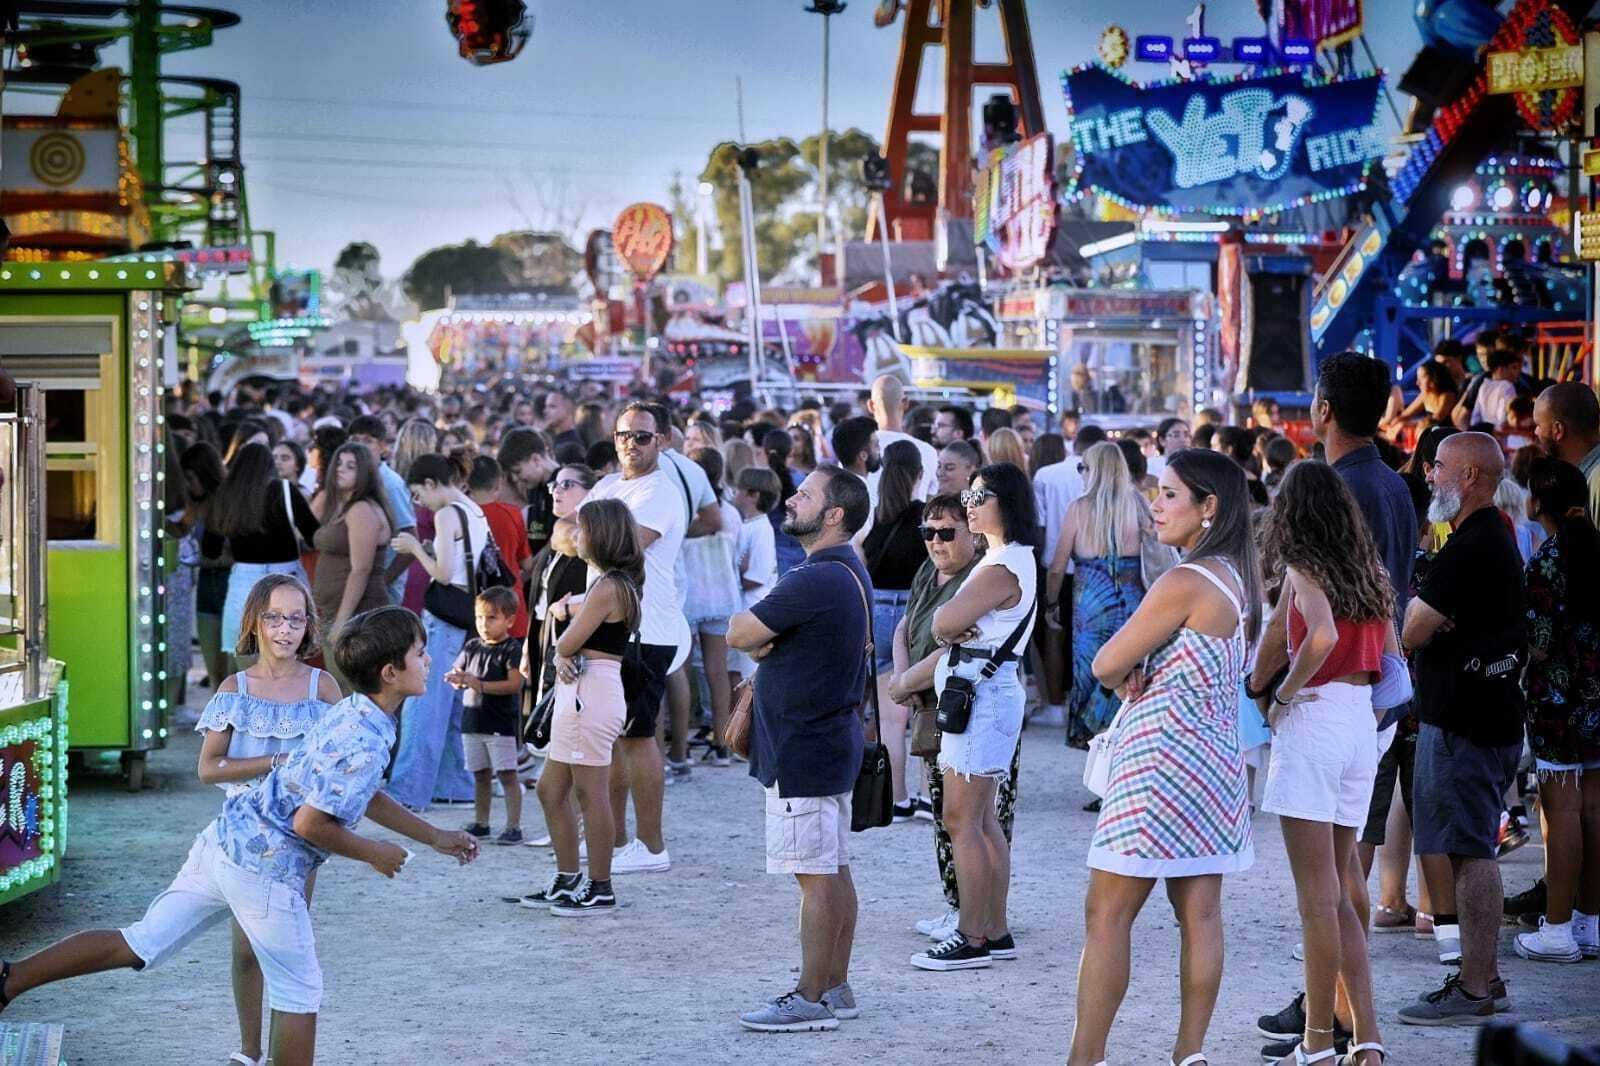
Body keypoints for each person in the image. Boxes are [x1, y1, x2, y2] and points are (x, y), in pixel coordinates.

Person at [0, 606, 480, 1066]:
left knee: (143, 940)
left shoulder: (355, 711)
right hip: (264, 868)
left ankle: (10, 979)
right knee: (299, 991)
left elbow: (359, 792)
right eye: (420, 653)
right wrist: (375, 853)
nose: (428, 660)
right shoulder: (365, 738)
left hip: (224, 842)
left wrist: (434, 836)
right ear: (390, 673)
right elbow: (310, 824)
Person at [1067, 449, 1262, 1066]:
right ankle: (1189, 1053)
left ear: (1209, 508)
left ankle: (1085, 1058)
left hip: (1160, 759)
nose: (1156, 504)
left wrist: (1126, 667)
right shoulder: (1237, 578)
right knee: (1200, 914)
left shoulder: (1186, 580)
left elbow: (1106, 663)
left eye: (1171, 494)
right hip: (1215, 760)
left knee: (1107, 913)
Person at [1254, 461, 1395, 1066]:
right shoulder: (1370, 572)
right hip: (1360, 719)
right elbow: (1389, 656)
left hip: (1316, 718)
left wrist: (1283, 696)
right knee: (1340, 891)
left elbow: (1321, 636)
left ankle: (1316, 1042)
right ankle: (1366, 1038)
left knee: (1317, 898)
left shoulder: (1304, 567)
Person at [728, 465, 872, 1033]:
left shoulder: (817, 577)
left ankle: (810, 997)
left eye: (806, 495)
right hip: (824, 742)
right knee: (831, 869)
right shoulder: (843, 571)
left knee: (816, 876)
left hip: (804, 746)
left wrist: (761, 641)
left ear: (833, 515)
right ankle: (834, 986)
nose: (792, 499)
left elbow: (741, 632)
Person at [1398, 432, 1526, 1024]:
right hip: (1475, 717)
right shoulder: (1485, 535)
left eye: (1441, 466)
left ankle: (1476, 986)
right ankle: (1482, 976)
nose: (1431, 474)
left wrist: (1425, 616)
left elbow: (1411, 628)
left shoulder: (1474, 542)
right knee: (1466, 846)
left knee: (1471, 851)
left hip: (1467, 724)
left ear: (1471, 475)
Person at [195, 574, 341, 1066]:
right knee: (244, 949)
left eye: (296, 619)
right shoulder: (234, 688)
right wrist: (276, 762)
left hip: (300, 833)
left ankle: (282, 1055)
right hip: (244, 833)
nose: (285, 629)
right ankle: (249, 1050)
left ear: (308, 625)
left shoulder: (323, 687)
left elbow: (341, 762)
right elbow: (208, 768)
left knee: (285, 948)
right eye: (274, 618)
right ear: (255, 622)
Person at [528, 498, 645, 916]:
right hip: (583, 691)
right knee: (550, 789)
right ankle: (568, 877)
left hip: (589, 694)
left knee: (590, 793)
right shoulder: (612, 583)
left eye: (582, 528)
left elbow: (566, 641)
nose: (575, 535)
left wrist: (563, 651)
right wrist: (565, 652)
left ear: (601, 535)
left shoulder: (610, 586)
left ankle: (600, 885)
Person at [582, 402, 684, 875]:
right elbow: (568, 535)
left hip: (647, 629)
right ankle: (617, 837)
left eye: (642, 436)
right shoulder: (606, 486)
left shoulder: (661, 490)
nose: (631, 444)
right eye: (624, 435)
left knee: (639, 737)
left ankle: (652, 845)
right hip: (611, 626)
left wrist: (586, 538)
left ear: (662, 440)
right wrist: (583, 538)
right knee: (613, 738)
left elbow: (621, 549)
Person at [1512, 457, 1600, 963]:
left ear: (1538, 502)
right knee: (1594, 810)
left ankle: (1558, 929)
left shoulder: (1546, 561)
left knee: (1561, 812)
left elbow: (1539, 644)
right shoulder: (1596, 549)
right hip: (1598, 700)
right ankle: (1591, 923)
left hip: (1557, 704)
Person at [387, 453, 492, 811]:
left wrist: (415, 548)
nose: (419, 502)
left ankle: (407, 792)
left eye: (419, 494)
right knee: (451, 709)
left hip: (443, 617)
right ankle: (454, 785)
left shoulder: (447, 514)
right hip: (467, 616)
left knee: (424, 707)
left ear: (431, 484)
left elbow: (444, 574)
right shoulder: (473, 509)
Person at [1048, 441, 1148, 749]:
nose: (1080, 473)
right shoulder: (1138, 503)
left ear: (1093, 471)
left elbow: (1057, 567)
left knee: (1090, 670)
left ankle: (1090, 739)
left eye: (1083, 467)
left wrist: (1051, 602)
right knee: (1129, 667)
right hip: (1133, 603)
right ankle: (1127, 737)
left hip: (1090, 608)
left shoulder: (1079, 509)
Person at [206, 443, 319, 670]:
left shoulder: (226, 495)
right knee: (289, 650)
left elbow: (210, 549)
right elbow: (313, 535)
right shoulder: (285, 491)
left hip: (243, 578)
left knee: (246, 653)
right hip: (287, 575)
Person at [862, 440, 927, 818]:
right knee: (926, 708)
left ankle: (897, 797)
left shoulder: (876, 515)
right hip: (913, 611)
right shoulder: (925, 518)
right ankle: (928, 795)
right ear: (919, 475)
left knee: (889, 717)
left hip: (878, 611)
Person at [445, 586, 526, 846]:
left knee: (507, 775)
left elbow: (515, 684)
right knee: (480, 775)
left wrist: (478, 684)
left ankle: (513, 827)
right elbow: (458, 670)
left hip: (500, 724)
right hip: (472, 722)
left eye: (492, 618)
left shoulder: (512, 649)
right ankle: (482, 823)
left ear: (509, 620)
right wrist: (456, 678)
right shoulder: (471, 646)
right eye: (480, 617)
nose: (484, 623)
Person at [310, 443, 394, 684]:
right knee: (342, 689)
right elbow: (301, 531)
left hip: (356, 615)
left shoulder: (361, 509)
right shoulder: (339, 505)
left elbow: (361, 570)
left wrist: (342, 623)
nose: (340, 469)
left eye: (350, 466)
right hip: (334, 611)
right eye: (338, 463)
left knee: (352, 689)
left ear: (365, 473)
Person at [681, 446, 743, 766]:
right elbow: (738, 554)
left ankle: (679, 745)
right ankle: (722, 743)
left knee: (680, 672)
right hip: (723, 595)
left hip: (688, 598)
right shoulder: (730, 512)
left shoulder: (685, 510)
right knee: (717, 672)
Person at [347, 415, 418, 604]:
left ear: (382, 447)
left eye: (368, 441)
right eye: (355, 440)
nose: (360, 446)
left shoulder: (390, 484)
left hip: (381, 588)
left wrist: (382, 582)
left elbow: (410, 540)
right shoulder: (350, 479)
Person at [466, 455, 532, 639]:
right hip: (510, 606)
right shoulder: (512, 514)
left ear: (467, 483)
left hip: (477, 610)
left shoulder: (461, 516)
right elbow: (527, 564)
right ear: (498, 484)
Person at [728, 465, 781, 685]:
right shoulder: (747, 525)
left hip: (754, 611)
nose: (735, 493)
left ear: (753, 495)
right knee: (733, 672)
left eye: (739, 489)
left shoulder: (761, 530)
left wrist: (735, 572)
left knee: (748, 679)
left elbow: (755, 578)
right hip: (741, 610)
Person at [1532, 381, 1600, 519]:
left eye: (1538, 425)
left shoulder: (1596, 481)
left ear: (1558, 430)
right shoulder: (1577, 478)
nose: (1535, 432)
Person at [867, 374, 940, 499]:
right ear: (906, 403)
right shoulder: (929, 452)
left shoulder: (857, 450)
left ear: (870, 405)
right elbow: (930, 502)